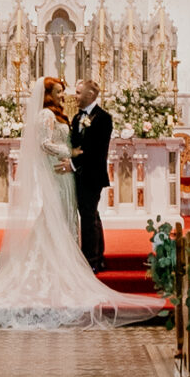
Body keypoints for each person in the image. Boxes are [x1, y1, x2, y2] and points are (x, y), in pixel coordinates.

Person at [0, 75, 161, 328]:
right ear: (47, 94)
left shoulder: (95, 117)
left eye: (74, 92)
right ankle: (76, 262)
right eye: (60, 91)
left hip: (78, 175)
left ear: (91, 95)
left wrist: (73, 159)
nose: (67, 96)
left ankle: (88, 260)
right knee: (63, 216)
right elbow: (47, 143)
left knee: (82, 216)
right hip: (62, 175)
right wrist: (69, 154)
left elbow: (90, 148)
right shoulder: (53, 116)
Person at [67, 76, 113, 270]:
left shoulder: (103, 118)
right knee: (90, 214)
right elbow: (75, 143)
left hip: (92, 174)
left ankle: (90, 261)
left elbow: (96, 150)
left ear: (91, 94)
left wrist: (73, 164)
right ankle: (97, 256)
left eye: (78, 93)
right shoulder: (78, 117)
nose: (75, 96)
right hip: (80, 174)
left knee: (88, 216)